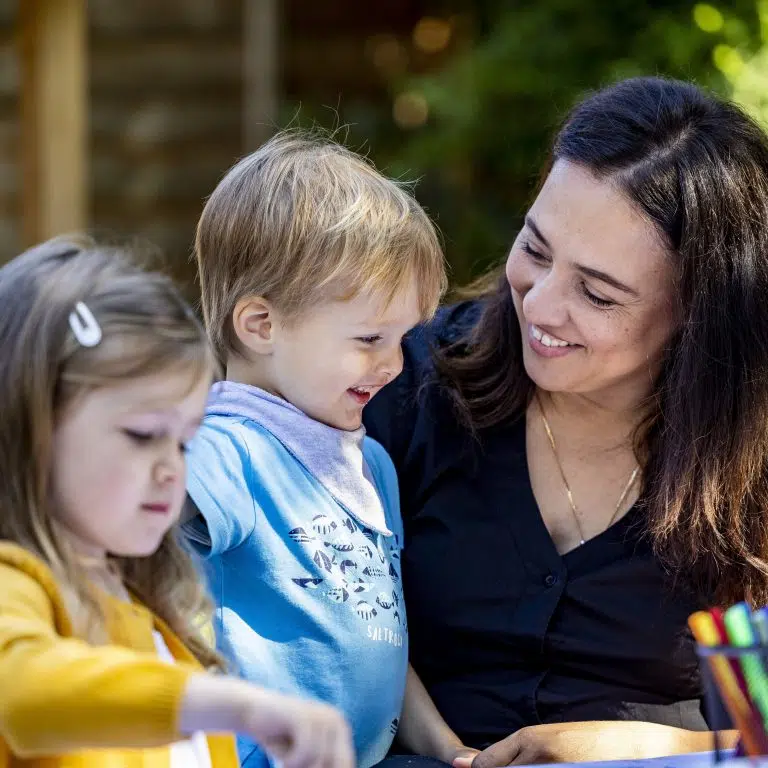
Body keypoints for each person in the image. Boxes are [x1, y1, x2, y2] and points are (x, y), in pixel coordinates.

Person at [364, 75, 768, 766]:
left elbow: (757, 730)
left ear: (699, 314)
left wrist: (650, 745)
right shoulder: (407, 384)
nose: (541, 307)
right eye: (537, 250)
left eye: (598, 293)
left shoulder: (749, 468)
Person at [0, 238, 355, 768]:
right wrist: (236, 707)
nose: (172, 469)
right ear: (34, 428)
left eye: (185, 441)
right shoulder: (14, 583)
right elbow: (22, 691)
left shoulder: (152, 605)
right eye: (143, 434)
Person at [183, 132, 479, 768]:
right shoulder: (228, 450)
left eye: (403, 338)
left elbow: (381, 635)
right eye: (370, 336)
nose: (395, 364)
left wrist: (450, 750)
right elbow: (122, 510)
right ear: (261, 325)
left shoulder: (368, 466)